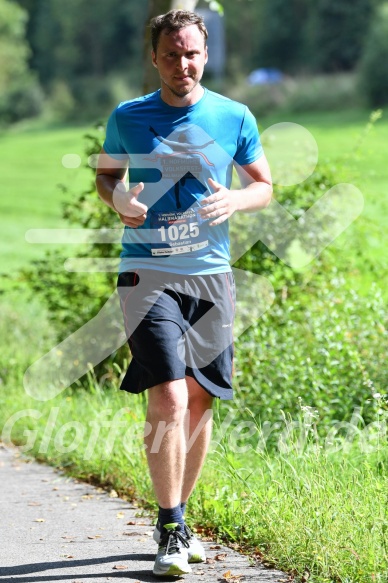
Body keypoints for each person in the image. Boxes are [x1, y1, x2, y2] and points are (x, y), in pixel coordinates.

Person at [95, 9, 272, 577]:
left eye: (191, 53)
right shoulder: (128, 116)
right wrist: (118, 199)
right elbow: (106, 174)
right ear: (154, 59)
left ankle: (179, 513)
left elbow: (263, 186)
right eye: (170, 55)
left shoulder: (233, 115)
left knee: (200, 399)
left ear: (204, 53)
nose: (183, 65)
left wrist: (234, 202)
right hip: (146, 274)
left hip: (211, 276)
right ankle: (170, 525)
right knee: (169, 394)